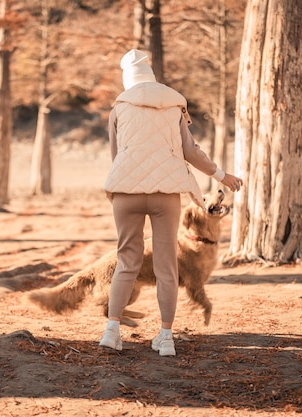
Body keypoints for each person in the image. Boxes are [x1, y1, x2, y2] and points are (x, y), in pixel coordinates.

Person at [99, 49, 244, 356]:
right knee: (167, 266)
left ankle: (111, 331)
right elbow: (191, 151)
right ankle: (166, 338)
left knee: (127, 262)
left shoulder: (118, 109)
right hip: (166, 195)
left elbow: (117, 158)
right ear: (151, 78)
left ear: (129, 80)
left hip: (126, 194)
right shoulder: (174, 107)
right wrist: (221, 175)